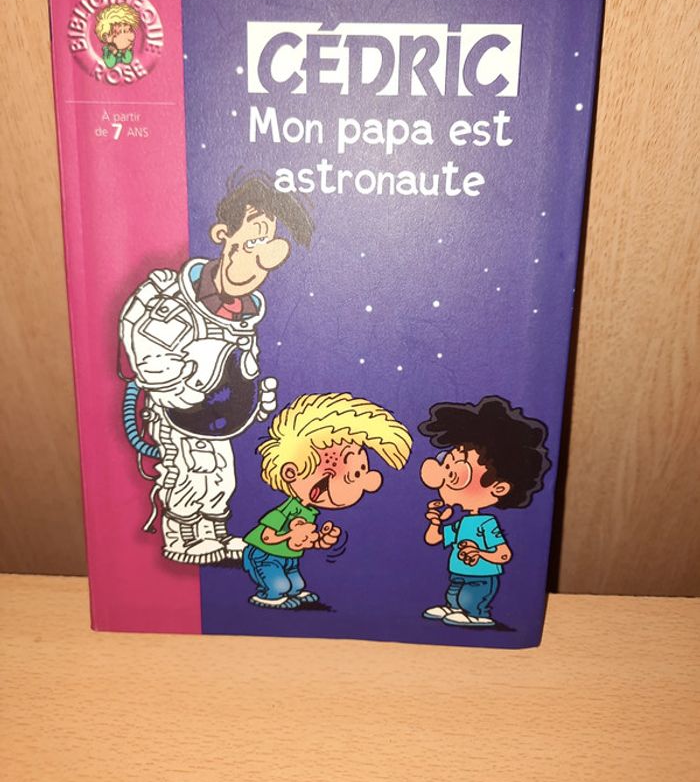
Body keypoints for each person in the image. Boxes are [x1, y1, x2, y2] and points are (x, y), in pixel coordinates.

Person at [119, 175, 313, 565]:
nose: (256, 267)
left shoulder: (242, 317)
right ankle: (182, 536)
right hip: (178, 412)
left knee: (221, 474)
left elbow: (238, 371)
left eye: (267, 257)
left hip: (214, 419)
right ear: (224, 236)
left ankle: (213, 533)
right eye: (251, 244)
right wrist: (179, 384)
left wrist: (252, 402)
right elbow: (148, 347)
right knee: (189, 469)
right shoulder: (174, 300)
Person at [243, 392, 412, 608]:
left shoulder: (308, 511)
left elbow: (303, 540)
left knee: (296, 584)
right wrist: (290, 535)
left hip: (288, 556)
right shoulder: (286, 510)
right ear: (292, 471)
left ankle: (285, 592)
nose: (364, 481)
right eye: (352, 471)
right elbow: (267, 537)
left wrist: (320, 540)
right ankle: (268, 596)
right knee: (279, 585)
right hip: (264, 555)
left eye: (361, 471)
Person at [418, 396, 550, 627]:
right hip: (458, 573)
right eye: (446, 464)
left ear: (498, 488)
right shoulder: (462, 523)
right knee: (454, 595)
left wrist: (479, 553)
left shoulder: (487, 524)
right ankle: (455, 609)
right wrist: (435, 522)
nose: (444, 476)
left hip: (481, 577)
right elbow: (433, 539)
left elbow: (504, 555)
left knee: (471, 598)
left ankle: (478, 615)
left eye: (456, 472)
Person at [94, 3, 140, 68]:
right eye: (118, 32)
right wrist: (113, 52)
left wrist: (126, 51)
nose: (124, 36)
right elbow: (110, 64)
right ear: (107, 36)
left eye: (127, 31)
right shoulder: (108, 50)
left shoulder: (126, 49)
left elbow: (127, 60)